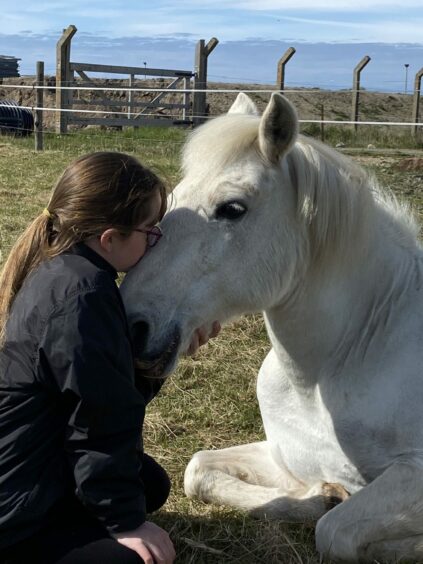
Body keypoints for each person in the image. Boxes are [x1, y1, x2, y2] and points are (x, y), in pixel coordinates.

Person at [0, 152, 220, 564]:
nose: (154, 242)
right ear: (109, 238)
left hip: (41, 458)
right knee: (138, 560)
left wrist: (162, 357)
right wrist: (125, 523)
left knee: (150, 483)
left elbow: (106, 387)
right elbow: (99, 420)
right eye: (149, 232)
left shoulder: (67, 270)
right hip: (15, 514)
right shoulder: (84, 296)